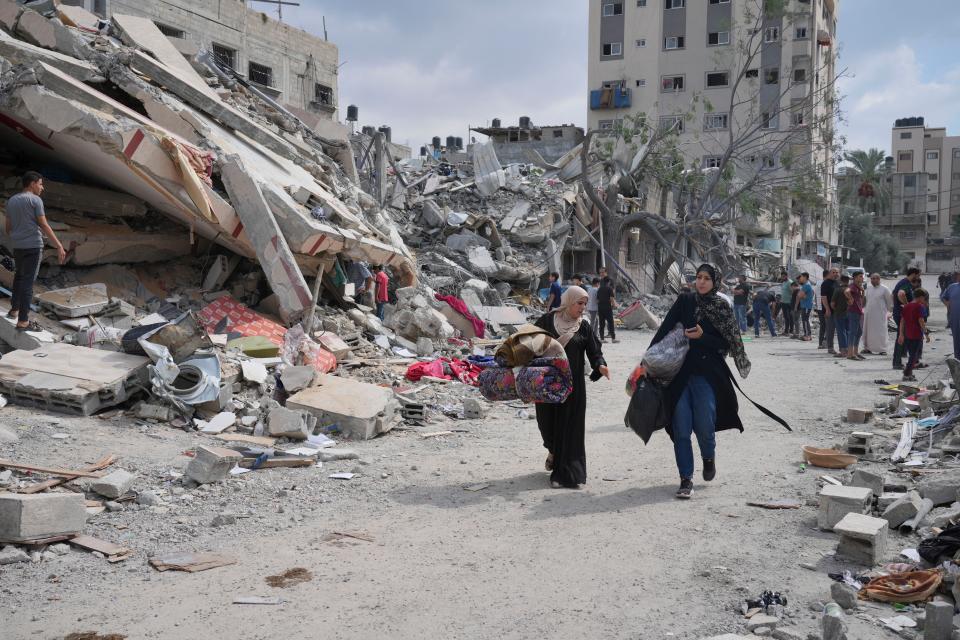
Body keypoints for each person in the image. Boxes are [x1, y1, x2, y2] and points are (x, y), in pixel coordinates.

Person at [647, 264, 755, 499]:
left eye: (707, 278)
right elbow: (664, 330)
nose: (702, 282)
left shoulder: (721, 307)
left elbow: (726, 344)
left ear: (715, 282)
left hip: (707, 374)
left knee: (705, 424)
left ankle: (708, 457)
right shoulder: (685, 301)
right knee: (681, 427)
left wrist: (703, 336)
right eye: (698, 277)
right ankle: (685, 479)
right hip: (679, 373)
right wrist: (647, 362)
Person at [534, 286, 609, 488]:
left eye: (585, 304)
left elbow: (594, 351)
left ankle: (565, 474)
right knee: (547, 424)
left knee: (570, 429)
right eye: (579, 303)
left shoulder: (583, 327)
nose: (583, 308)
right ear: (569, 301)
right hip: (546, 385)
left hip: (572, 387)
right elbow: (530, 344)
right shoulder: (547, 321)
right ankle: (552, 450)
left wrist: (600, 365)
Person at [5, 171, 66, 330]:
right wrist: (59, 245)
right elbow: (44, 225)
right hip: (33, 246)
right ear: (32, 184)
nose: (42, 187)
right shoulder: (35, 200)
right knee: (28, 282)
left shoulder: (11, 201)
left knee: (19, 277)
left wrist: (20, 233)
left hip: (18, 246)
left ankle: (14, 310)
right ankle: (23, 321)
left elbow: (8, 228)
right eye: (40, 184)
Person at [892, 268, 921, 370]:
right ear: (914, 274)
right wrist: (907, 306)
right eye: (918, 275)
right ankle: (897, 363)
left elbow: (893, 294)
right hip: (902, 315)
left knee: (904, 337)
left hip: (899, 313)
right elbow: (900, 294)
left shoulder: (903, 282)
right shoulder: (906, 283)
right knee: (902, 337)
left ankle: (909, 361)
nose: (918, 277)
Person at [898, 288, 929, 382]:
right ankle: (906, 373)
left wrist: (901, 334)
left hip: (907, 334)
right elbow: (921, 321)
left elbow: (902, 321)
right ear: (921, 297)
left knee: (911, 354)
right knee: (914, 356)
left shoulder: (907, 306)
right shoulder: (920, 306)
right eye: (924, 298)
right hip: (916, 334)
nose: (925, 300)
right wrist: (926, 333)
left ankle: (910, 373)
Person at [863, 273, 893, 355]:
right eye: (872, 278)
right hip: (869, 314)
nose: (873, 280)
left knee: (881, 332)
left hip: (880, 314)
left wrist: (890, 313)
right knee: (868, 332)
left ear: (879, 279)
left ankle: (882, 349)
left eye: (875, 278)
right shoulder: (868, 288)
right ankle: (868, 348)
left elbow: (890, 302)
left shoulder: (884, 289)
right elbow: (866, 300)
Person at [845, 271, 866, 360]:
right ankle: (850, 354)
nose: (862, 278)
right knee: (853, 332)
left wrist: (863, 291)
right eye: (860, 276)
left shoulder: (858, 288)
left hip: (858, 312)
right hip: (853, 312)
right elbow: (846, 291)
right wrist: (850, 299)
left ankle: (855, 352)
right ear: (855, 278)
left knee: (859, 332)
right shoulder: (852, 286)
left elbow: (862, 301)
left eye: (862, 276)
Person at [819, 268, 839, 353]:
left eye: (837, 272)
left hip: (839, 311)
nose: (835, 274)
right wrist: (827, 309)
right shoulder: (825, 283)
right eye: (833, 272)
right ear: (829, 274)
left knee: (839, 330)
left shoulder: (838, 283)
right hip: (829, 311)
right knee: (830, 330)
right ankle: (830, 348)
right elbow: (823, 297)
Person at [941, 272, 960, 359]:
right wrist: (947, 303)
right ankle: (957, 358)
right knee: (956, 338)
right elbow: (943, 297)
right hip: (955, 318)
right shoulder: (952, 287)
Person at [832, 275, 850, 358]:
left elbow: (832, 304)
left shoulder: (838, 290)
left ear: (841, 281)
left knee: (841, 332)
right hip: (850, 314)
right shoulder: (851, 289)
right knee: (848, 332)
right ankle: (849, 350)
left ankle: (843, 351)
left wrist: (836, 309)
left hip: (839, 314)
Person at [597, 276, 618, 343]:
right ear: (608, 282)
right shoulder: (610, 289)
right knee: (611, 323)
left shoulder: (599, 289)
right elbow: (612, 299)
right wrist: (615, 305)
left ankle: (602, 339)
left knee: (601, 323)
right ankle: (613, 339)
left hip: (600, 308)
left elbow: (597, 300)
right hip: (608, 308)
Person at [795, 273, 814, 341]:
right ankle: (808, 334)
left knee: (805, 320)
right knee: (805, 320)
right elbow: (801, 295)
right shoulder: (806, 285)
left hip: (806, 305)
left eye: (801, 277)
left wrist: (802, 295)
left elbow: (799, 295)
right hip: (805, 305)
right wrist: (803, 295)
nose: (800, 278)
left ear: (805, 277)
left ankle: (807, 335)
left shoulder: (806, 285)